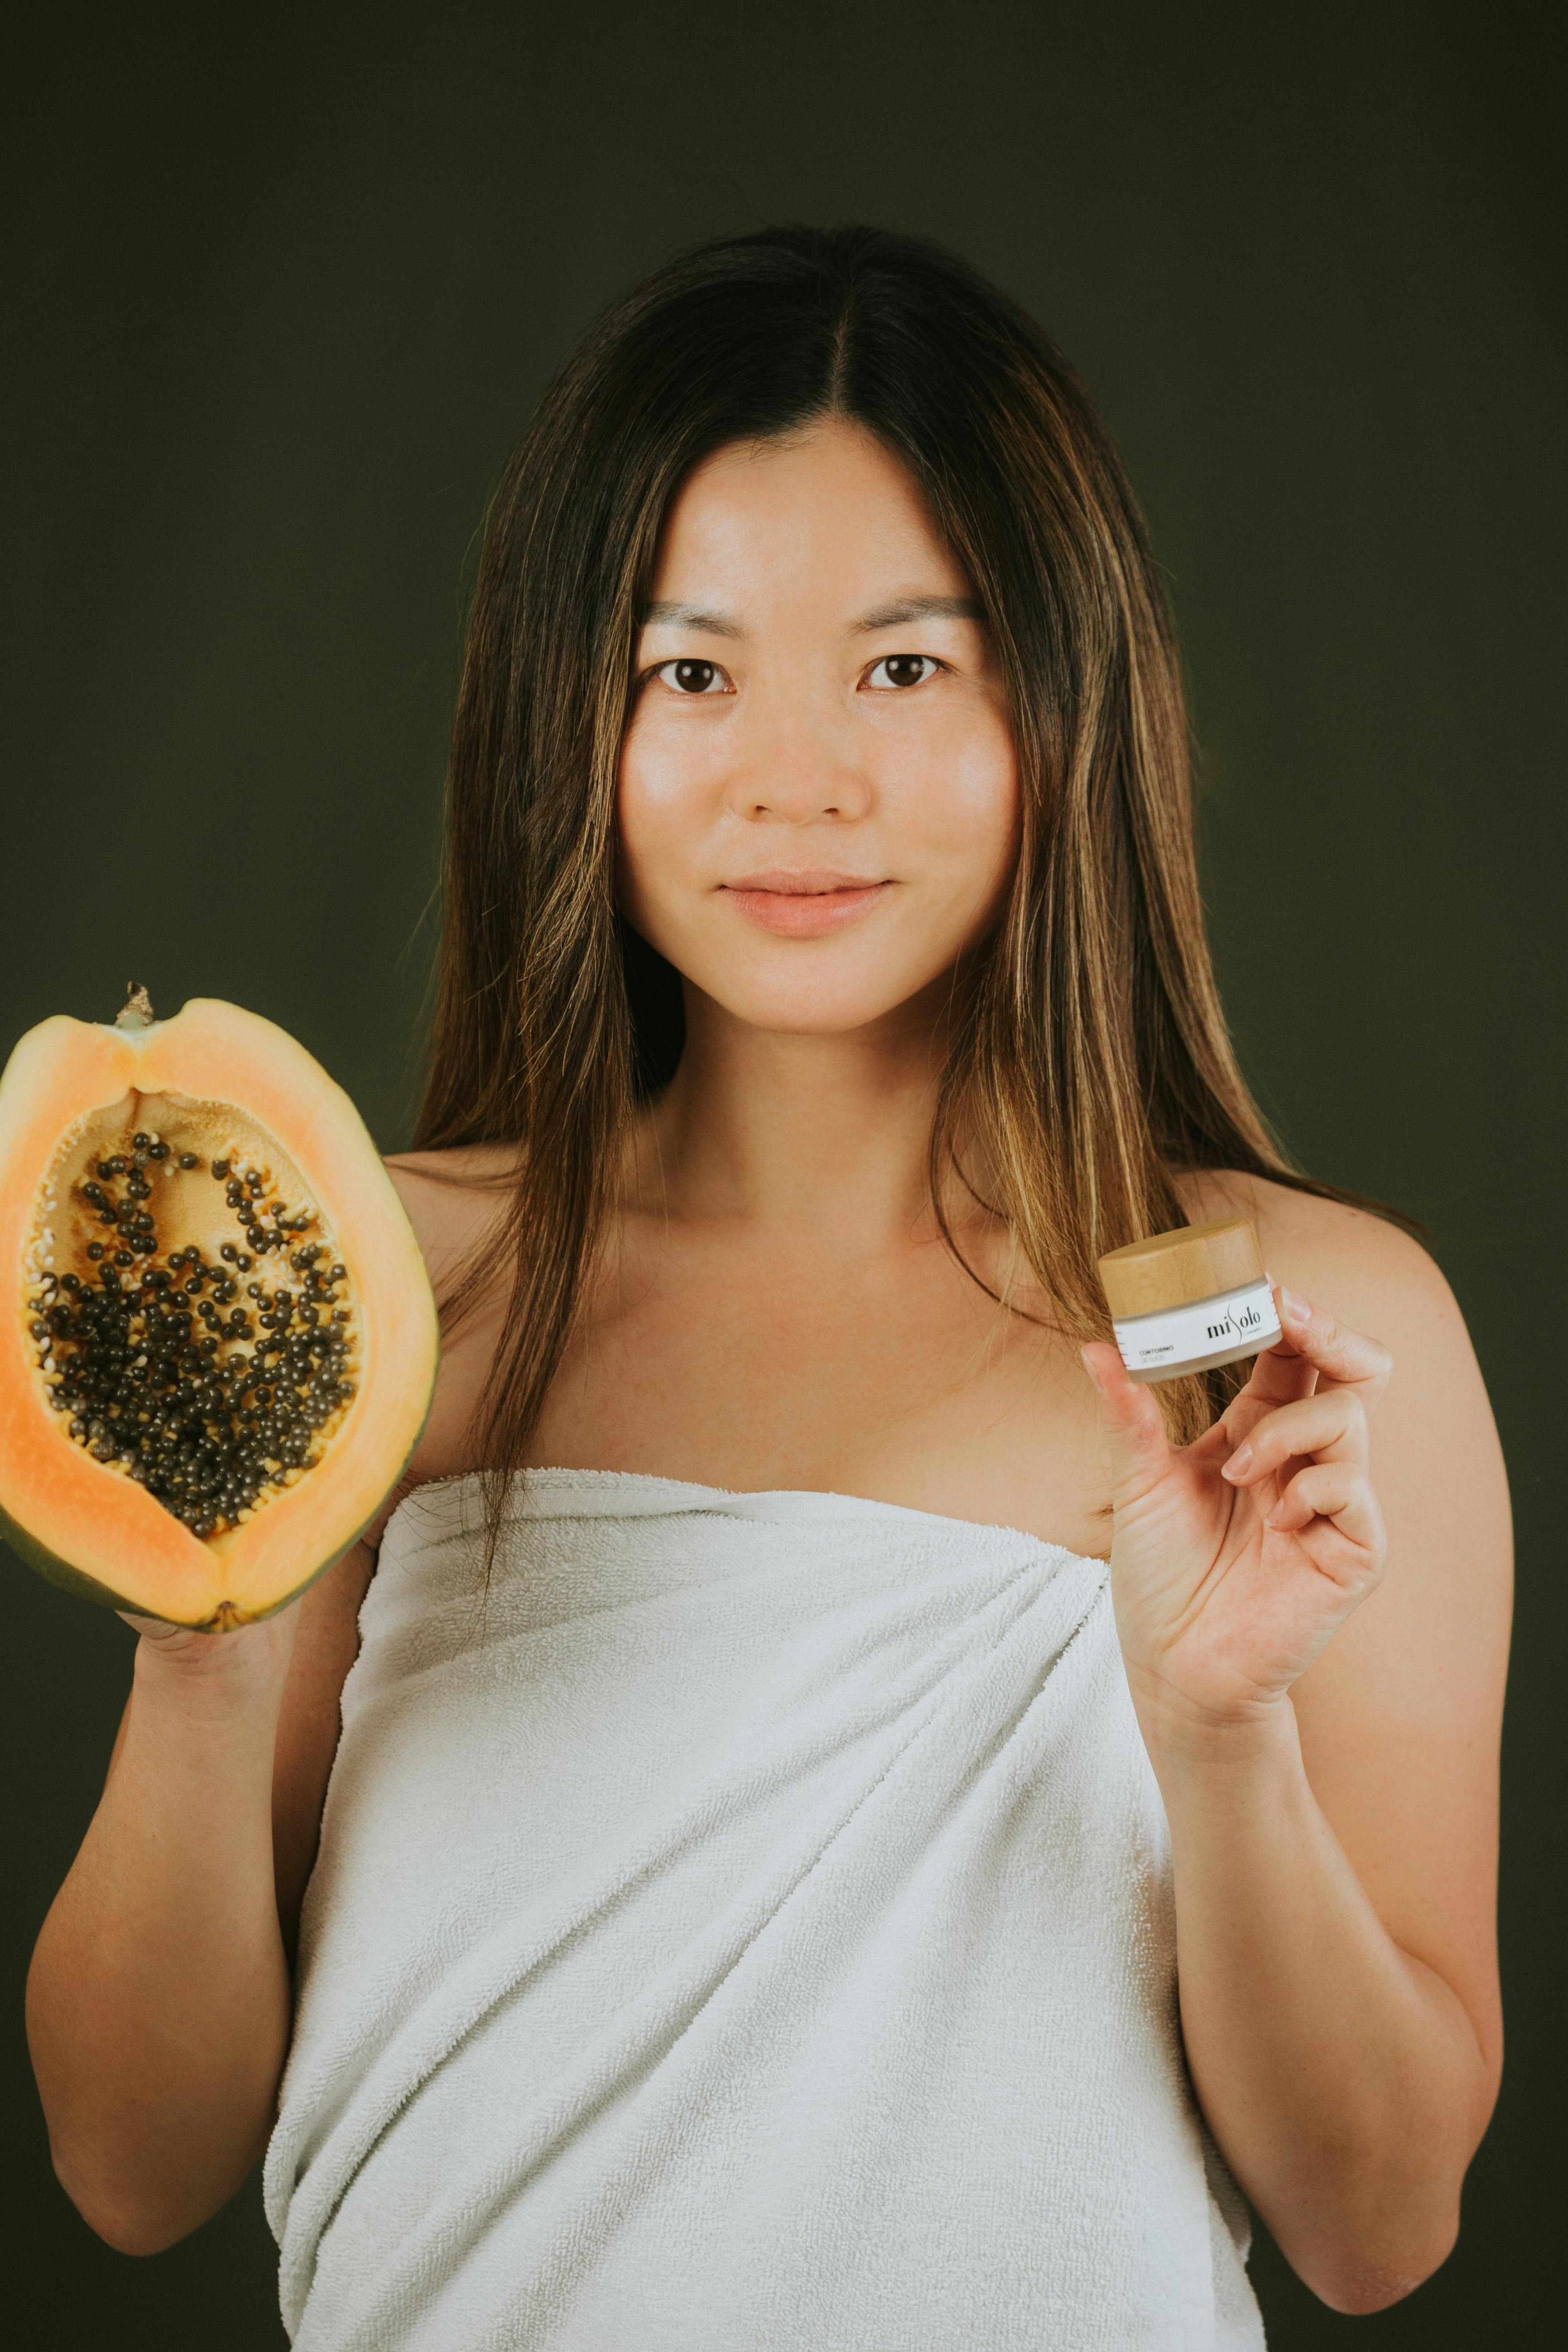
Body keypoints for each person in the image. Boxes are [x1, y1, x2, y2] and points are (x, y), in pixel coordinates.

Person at [27, 226, 1510, 2350]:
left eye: (905, 667)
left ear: (1060, 711)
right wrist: (199, 1628)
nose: (792, 780)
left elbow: (1378, 2227)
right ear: (573, 716)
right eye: (690, 671)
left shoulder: (1279, 1327)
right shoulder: (387, 1273)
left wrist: (1218, 1726)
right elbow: (128, 2158)